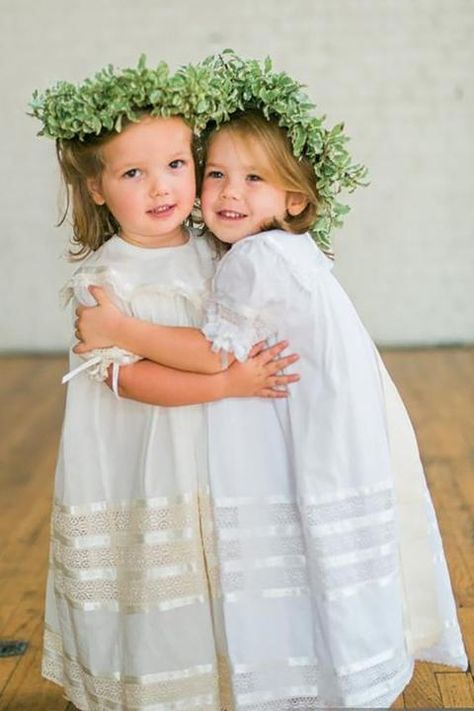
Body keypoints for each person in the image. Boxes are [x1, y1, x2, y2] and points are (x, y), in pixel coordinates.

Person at [74, 54, 467, 708]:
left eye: (253, 178)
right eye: (218, 174)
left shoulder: (254, 258)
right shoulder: (285, 251)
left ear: (294, 196)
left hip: (306, 430)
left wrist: (119, 327)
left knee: (299, 545)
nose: (229, 193)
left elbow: (208, 354)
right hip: (332, 425)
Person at [31, 58, 301, 711]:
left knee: (217, 561)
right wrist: (229, 380)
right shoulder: (105, 281)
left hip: (214, 449)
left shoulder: (220, 253)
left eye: (177, 164)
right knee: (152, 566)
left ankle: (229, 681)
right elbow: (138, 381)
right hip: (139, 455)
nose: (161, 186)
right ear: (95, 187)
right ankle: (152, 687)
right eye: (133, 172)